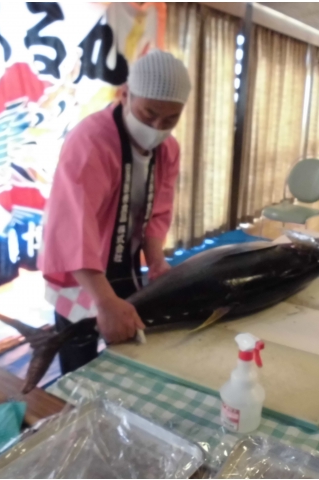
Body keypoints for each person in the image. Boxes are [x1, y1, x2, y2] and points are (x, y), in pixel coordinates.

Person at [38, 50, 191, 374]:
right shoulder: (90, 141)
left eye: (170, 120)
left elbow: (158, 210)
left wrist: (156, 260)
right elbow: (73, 228)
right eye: (149, 114)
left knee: (130, 351)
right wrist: (104, 300)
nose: (158, 127)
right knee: (79, 360)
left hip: (124, 263)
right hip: (79, 273)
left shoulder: (168, 148)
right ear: (125, 94)